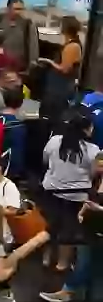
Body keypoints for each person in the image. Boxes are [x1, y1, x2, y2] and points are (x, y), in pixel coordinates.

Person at [40, 111, 98, 274]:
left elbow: (45, 160)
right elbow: (93, 174)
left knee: (51, 224)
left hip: (51, 190)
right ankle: (62, 263)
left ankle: (46, 257)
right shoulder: (92, 150)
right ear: (87, 130)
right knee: (70, 228)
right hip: (76, 195)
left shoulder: (54, 141)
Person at [41, 16, 84, 123]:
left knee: (54, 116)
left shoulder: (72, 46)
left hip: (60, 89)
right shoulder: (69, 44)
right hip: (56, 88)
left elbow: (64, 69)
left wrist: (48, 61)